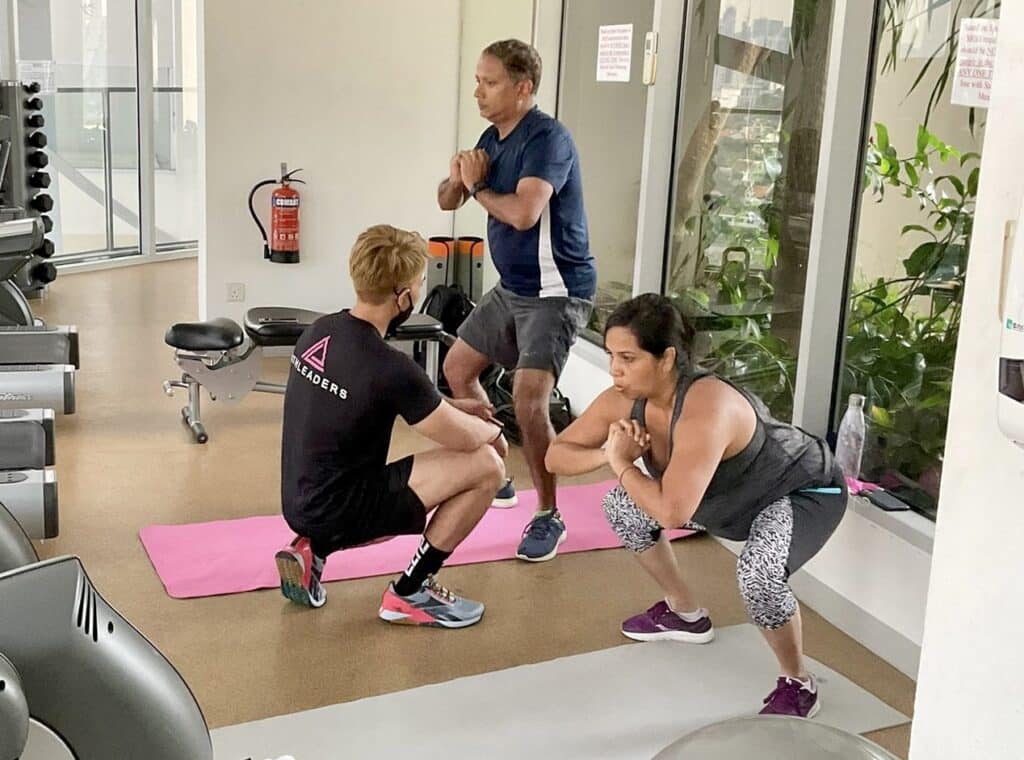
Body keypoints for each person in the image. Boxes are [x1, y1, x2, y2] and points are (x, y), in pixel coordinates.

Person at [545, 294, 847, 717]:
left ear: (666, 358)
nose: (615, 368)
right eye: (613, 355)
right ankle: (684, 613)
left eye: (628, 358)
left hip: (799, 491)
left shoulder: (708, 407)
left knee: (758, 574)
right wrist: (611, 454)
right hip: (724, 502)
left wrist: (619, 462)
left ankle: (799, 681)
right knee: (622, 504)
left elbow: (671, 513)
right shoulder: (625, 398)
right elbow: (556, 455)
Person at [275, 224, 508, 629]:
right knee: (487, 464)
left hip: (299, 500)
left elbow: (376, 395)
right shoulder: (390, 365)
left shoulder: (319, 330)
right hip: (343, 508)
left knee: (365, 480)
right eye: (419, 285)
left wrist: (452, 404)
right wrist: (495, 431)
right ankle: (411, 592)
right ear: (403, 297)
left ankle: (316, 548)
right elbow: (465, 438)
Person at [437, 38, 596, 563]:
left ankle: (549, 514)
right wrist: (460, 180)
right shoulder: (492, 136)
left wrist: (477, 187)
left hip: (556, 290)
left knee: (530, 400)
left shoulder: (548, 140)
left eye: (490, 82)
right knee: (458, 369)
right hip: (513, 286)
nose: (478, 92)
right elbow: (446, 200)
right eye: (478, 81)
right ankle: (497, 465)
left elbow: (525, 214)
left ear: (523, 88)